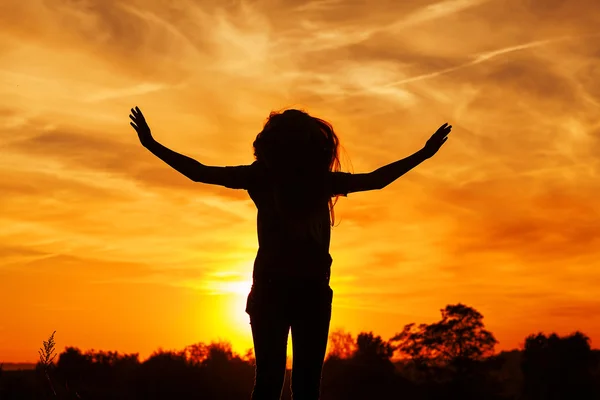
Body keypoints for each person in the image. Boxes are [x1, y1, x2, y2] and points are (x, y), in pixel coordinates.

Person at [129, 106, 451, 399]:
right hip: (303, 291)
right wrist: (423, 154)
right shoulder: (310, 180)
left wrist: (152, 144)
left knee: (271, 383)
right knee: (303, 386)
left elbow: (199, 172)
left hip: (281, 290)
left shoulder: (266, 177)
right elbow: (377, 180)